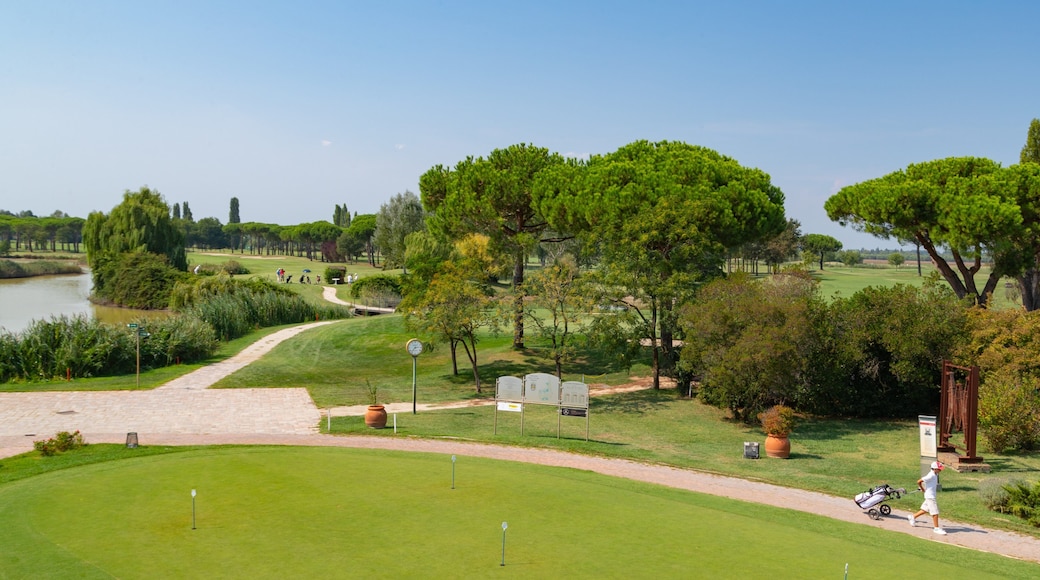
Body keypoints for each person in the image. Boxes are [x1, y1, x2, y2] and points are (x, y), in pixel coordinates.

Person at [909, 461, 947, 534]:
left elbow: (929, 483)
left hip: (930, 495)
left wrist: (924, 488)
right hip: (930, 496)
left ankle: (913, 517)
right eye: (939, 469)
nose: (940, 470)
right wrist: (922, 488)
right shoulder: (931, 475)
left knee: (925, 509)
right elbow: (919, 481)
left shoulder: (935, 474)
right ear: (935, 469)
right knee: (935, 512)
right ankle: (936, 528)